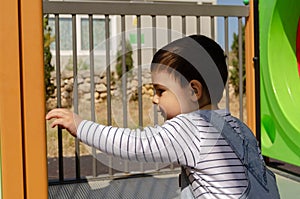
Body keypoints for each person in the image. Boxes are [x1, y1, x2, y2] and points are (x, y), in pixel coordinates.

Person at [46, 35, 278, 199]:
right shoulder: (237, 126)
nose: (155, 99)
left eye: (161, 91)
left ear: (193, 91)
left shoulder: (192, 127)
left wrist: (81, 126)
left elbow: (136, 145)